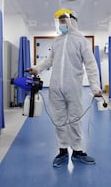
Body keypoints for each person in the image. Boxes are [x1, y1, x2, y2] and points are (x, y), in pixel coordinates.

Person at [27, 9, 102, 168]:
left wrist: (95, 86)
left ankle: (77, 150)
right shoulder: (57, 41)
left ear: (71, 21)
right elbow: (49, 60)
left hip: (73, 86)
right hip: (55, 88)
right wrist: (36, 68)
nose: (61, 25)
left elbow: (90, 64)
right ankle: (62, 150)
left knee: (75, 119)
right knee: (59, 120)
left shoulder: (81, 40)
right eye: (59, 22)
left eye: (63, 21)